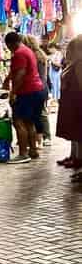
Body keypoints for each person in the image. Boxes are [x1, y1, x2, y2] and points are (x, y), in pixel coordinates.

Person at [4, 31, 46, 163]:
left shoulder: (19, 53)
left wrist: (13, 93)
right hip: (36, 90)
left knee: (18, 121)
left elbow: (20, 74)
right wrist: (7, 79)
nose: (8, 49)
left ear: (11, 43)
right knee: (29, 122)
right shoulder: (26, 50)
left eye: (8, 46)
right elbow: (16, 70)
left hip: (27, 91)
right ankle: (33, 150)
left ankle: (23, 153)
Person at [56, 35, 82, 176]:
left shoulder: (79, 64)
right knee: (77, 135)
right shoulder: (74, 64)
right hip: (74, 105)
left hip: (78, 105)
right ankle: (77, 160)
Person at [22, 35, 52, 147]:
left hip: (36, 87)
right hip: (43, 86)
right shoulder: (41, 54)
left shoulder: (33, 56)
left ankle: (43, 137)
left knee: (39, 113)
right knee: (41, 113)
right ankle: (45, 137)